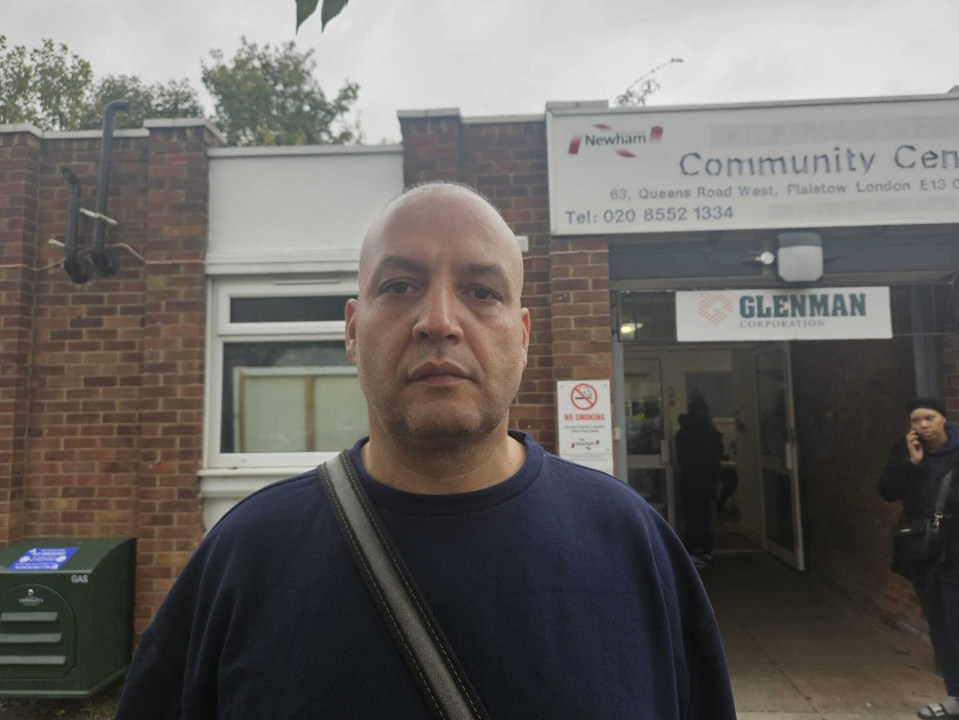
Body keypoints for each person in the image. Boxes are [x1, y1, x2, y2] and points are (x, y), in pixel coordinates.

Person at [115, 182, 736, 719]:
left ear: (522, 338)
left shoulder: (635, 546)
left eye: (482, 291)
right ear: (353, 332)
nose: (438, 320)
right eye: (401, 285)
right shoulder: (243, 556)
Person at [879, 398, 959, 719]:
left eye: (929, 417)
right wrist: (911, 464)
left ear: (944, 419)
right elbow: (886, 490)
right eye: (916, 420)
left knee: (956, 622)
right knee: (939, 622)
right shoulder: (904, 451)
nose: (922, 425)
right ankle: (955, 697)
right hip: (923, 549)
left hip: (955, 549)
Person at [676, 399, 725, 568]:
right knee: (699, 516)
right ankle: (688, 553)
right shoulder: (706, 430)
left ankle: (707, 549)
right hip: (703, 479)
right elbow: (718, 450)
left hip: (690, 479)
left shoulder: (683, 431)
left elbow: (681, 457)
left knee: (699, 515)